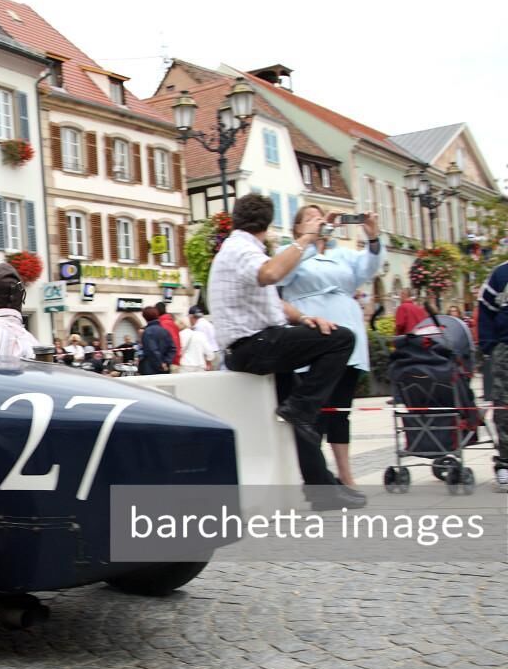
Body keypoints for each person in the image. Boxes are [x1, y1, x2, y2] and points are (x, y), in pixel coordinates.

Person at [206, 193, 360, 510]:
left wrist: (304, 318)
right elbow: (271, 275)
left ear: (237, 218)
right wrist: (306, 238)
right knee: (342, 339)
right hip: (256, 344)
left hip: (254, 344)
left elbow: (273, 301)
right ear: (268, 223)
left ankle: (323, 492)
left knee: (299, 424)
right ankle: (302, 408)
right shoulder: (243, 249)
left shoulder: (237, 249)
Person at [278, 206, 384, 489]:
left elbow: (368, 269)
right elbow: (282, 276)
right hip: (314, 336)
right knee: (312, 410)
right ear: (297, 228)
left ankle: (346, 476)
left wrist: (373, 238)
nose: (318, 220)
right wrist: (310, 240)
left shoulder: (341, 255)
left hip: (348, 335)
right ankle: (316, 476)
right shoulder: (292, 252)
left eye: (320, 217)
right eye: (310, 218)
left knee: (340, 410)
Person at [476, 257, 508, 491]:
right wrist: (490, 347)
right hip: (505, 350)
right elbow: (485, 310)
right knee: (504, 409)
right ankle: (505, 463)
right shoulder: (501, 274)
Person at [138, 307, 175, 375]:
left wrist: (160, 364)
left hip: (150, 368)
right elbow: (172, 348)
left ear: (145, 317)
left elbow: (152, 350)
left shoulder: (147, 332)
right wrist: (166, 362)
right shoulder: (165, 331)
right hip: (165, 369)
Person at [155, 302, 182, 367]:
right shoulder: (172, 323)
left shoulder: (162, 324)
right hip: (174, 360)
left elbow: (171, 343)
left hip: (168, 362)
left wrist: (166, 361)